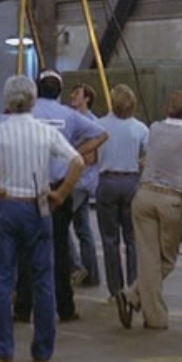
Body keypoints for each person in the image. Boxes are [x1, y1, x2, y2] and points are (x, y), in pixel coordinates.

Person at [0, 74, 84, 362]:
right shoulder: (45, 132)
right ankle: (42, 350)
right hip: (38, 205)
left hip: (5, 206)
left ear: (6, 101)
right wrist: (60, 193)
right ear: (33, 100)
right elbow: (78, 161)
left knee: (4, 281)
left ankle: (4, 350)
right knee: (43, 280)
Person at [116, 90, 182, 331]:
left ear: (167, 110)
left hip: (143, 196)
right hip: (170, 199)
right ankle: (153, 316)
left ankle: (133, 297)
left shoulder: (155, 128)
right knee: (167, 260)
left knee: (148, 259)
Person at [16, 70, 106, 324]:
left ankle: (23, 307)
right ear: (59, 91)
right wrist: (74, 151)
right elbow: (101, 135)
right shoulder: (69, 116)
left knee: (27, 249)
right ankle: (64, 307)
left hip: (30, 189)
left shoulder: (28, 115)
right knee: (59, 249)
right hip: (59, 190)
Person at [95, 83, 148, 301]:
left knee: (110, 240)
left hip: (107, 181)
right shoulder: (141, 128)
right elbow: (147, 156)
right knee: (133, 239)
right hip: (131, 182)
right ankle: (134, 287)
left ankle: (115, 290)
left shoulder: (99, 125)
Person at [66, 82, 102, 288]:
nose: (73, 96)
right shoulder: (74, 119)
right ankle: (91, 273)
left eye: (77, 93)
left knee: (61, 222)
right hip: (81, 181)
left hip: (80, 181)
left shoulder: (89, 123)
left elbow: (90, 156)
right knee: (82, 227)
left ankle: (76, 266)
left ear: (87, 98)